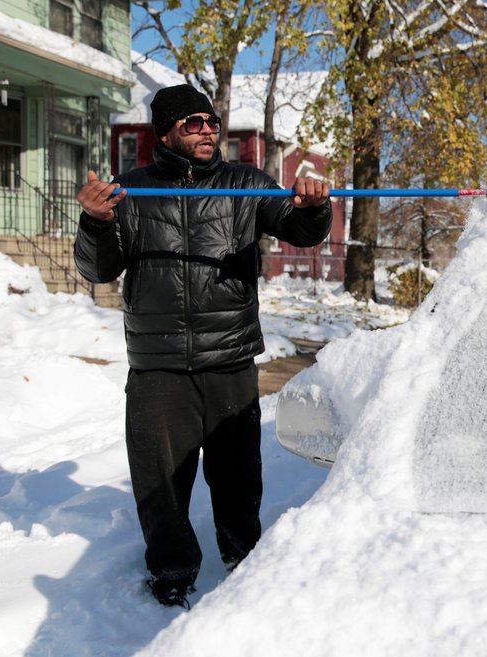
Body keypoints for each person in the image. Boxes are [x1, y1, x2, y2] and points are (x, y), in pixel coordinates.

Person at [73, 84, 331, 608]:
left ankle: (243, 566)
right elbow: (97, 269)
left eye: (211, 121)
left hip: (229, 359)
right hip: (158, 365)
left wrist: (312, 208)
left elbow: (297, 230)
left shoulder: (245, 184)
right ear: (166, 131)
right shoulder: (130, 192)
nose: (208, 130)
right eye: (193, 123)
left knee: (238, 481)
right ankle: (170, 575)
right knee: (161, 486)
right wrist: (95, 222)